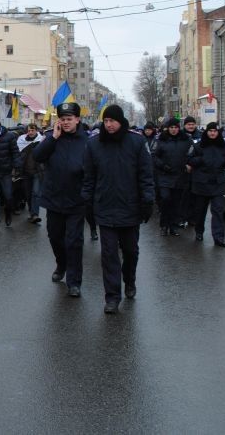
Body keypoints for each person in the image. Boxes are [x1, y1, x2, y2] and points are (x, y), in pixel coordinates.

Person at [83, 105, 155, 314]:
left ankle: (129, 279)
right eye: (106, 121)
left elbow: (145, 175)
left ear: (121, 121)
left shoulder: (136, 142)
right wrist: (87, 201)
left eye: (112, 121)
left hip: (130, 208)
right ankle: (112, 297)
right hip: (105, 208)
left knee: (130, 251)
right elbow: (89, 177)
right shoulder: (94, 144)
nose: (109, 125)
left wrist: (147, 201)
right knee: (109, 255)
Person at [33, 103, 89, 297]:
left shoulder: (87, 141)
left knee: (74, 241)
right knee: (55, 237)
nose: (66, 122)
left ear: (77, 119)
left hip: (76, 200)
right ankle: (61, 264)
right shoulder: (51, 138)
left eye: (69, 119)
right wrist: (53, 138)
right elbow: (37, 156)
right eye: (63, 119)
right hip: (54, 198)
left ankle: (74, 282)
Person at [187, 122, 225, 247]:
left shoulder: (224, 146)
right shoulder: (199, 146)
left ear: (218, 133)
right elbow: (190, 159)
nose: (212, 133)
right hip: (201, 183)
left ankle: (218, 237)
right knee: (200, 211)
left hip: (217, 183)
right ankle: (199, 231)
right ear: (206, 132)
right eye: (210, 131)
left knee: (218, 211)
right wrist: (201, 159)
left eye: (215, 131)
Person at [153, 118, 191, 237]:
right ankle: (164, 225)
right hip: (165, 176)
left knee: (176, 203)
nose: (173, 130)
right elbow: (154, 156)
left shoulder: (185, 140)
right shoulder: (161, 140)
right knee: (165, 199)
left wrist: (189, 164)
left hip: (179, 176)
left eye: (175, 127)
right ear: (168, 128)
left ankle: (173, 226)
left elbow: (193, 153)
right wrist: (163, 166)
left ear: (179, 128)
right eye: (171, 128)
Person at [16, 123, 44, 224]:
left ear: (36, 130)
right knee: (28, 194)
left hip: (37, 172)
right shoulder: (21, 140)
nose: (30, 132)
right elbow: (18, 155)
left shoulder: (41, 140)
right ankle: (32, 213)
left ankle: (35, 214)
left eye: (32, 130)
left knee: (36, 193)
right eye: (29, 130)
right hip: (25, 172)